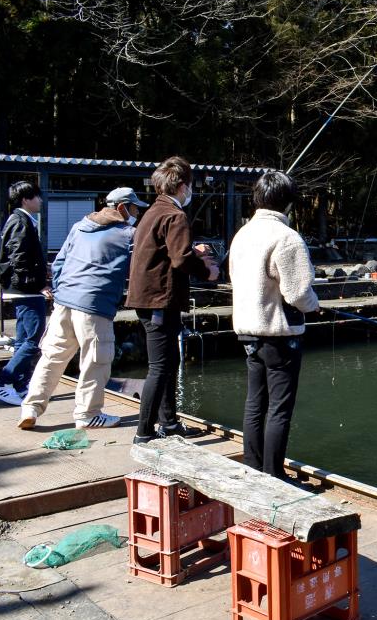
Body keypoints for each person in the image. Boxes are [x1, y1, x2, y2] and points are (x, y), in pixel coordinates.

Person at [17, 187, 145, 430]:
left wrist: (61, 291)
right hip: (95, 305)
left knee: (52, 357)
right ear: (121, 208)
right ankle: (88, 413)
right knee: (96, 360)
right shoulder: (129, 234)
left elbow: (60, 263)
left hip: (64, 303)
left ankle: (31, 407)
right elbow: (139, 268)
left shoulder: (79, 226)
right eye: (134, 208)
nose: (136, 213)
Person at [229, 171, 318, 478]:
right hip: (279, 334)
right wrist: (315, 306)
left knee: (255, 403)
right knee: (279, 408)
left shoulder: (242, 234)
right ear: (287, 203)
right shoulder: (287, 237)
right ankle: (274, 474)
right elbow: (297, 292)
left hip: (248, 331)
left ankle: (253, 467)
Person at [126, 156, 218, 443]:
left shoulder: (153, 212)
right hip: (159, 301)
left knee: (169, 361)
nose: (192, 190)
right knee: (160, 366)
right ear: (181, 186)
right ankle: (144, 432)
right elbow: (180, 260)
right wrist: (208, 270)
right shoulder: (175, 216)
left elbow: (170, 252)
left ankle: (169, 422)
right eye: (190, 184)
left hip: (149, 299)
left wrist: (194, 250)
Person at [0, 181, 51, 406]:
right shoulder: (21, 221)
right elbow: (19, 258)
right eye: (37, 196)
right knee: (34, 340)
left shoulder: (18, 219)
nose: (40, 201)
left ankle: (19, 385)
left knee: (23, 340)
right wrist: (38, 285)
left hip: (20, 289)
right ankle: (3, 383)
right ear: (26, 199)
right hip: (26, 291)